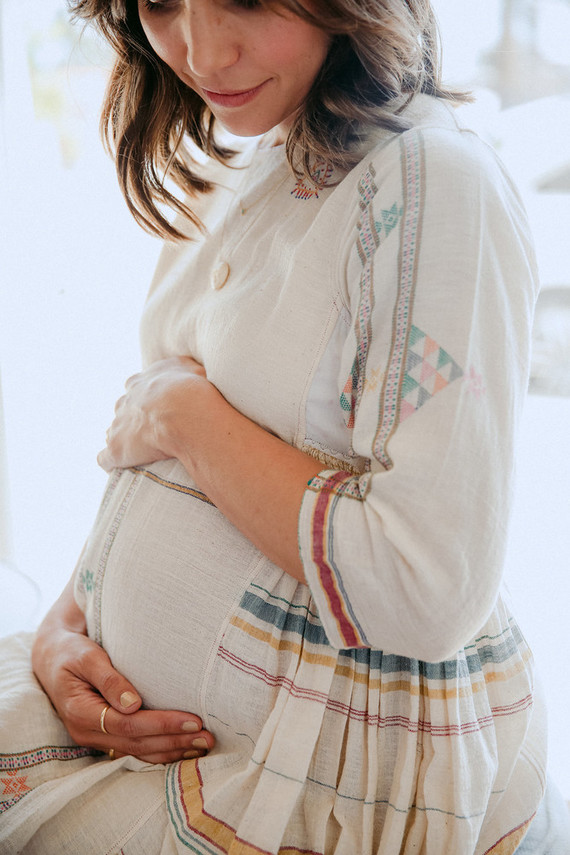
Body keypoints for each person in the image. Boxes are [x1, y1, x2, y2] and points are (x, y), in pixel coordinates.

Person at [1, 0, 569, 852]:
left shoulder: (436, 186)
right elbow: (156, 469)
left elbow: (428, 583)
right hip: (196, 746)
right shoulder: (256, 155)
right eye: (160, 3)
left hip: (329, 781)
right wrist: (65, 627)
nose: (200, 50)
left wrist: (186, 418)